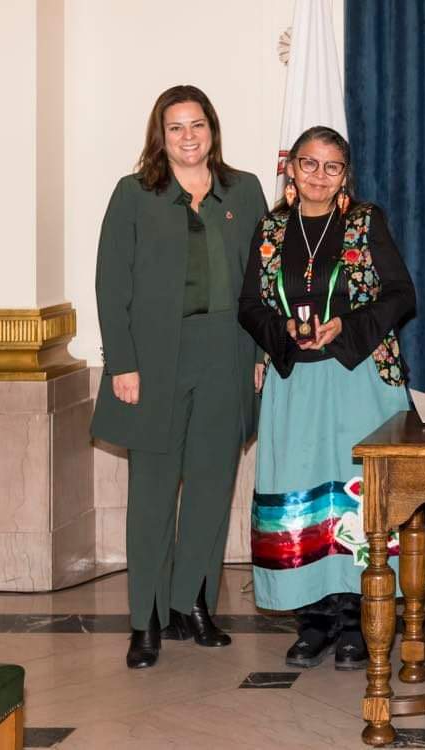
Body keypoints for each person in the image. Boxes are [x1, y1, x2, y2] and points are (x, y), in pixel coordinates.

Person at [90, 85, 268, 669]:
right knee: (152, 493)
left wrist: (264, 353)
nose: (188, 136)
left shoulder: (244, 190)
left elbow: (263, 282)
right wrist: (122, 364)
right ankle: (145, 620)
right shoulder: (134, 194)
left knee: (213, 488)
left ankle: (192, 603)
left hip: (229, 353)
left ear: (212, 129)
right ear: (159, 136)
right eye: (175, 127)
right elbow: (111, 286)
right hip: (155, 359)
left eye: (197, 125)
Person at [238, 126, 415, 671]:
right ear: (290, 169)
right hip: (296, 384)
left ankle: (360, 618)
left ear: (345, 176)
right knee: (301, 497)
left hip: (359, 376)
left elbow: (402, 295)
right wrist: (282, 331)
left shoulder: (365, 222)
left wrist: (345, 326)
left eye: (331, 167)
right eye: (308, 164)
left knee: (357, 499)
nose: (318, 175)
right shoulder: (269, 230)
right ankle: (312, 621)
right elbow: (249, 305)